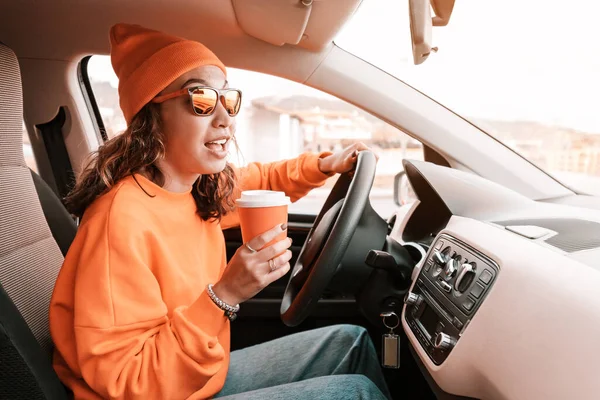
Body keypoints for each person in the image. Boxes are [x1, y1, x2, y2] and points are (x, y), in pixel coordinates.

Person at [49, 23, 391, 400]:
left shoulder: (198, 190)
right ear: (151, 117)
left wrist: (325, 166)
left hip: (194, 378)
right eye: (201, 100)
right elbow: (130, 381)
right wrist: (226, 293)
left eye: (228, 100)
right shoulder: (120, 221)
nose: (225, 118)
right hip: (149, 391)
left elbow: (263, 179)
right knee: (355, 392)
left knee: (351, 341)